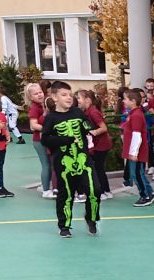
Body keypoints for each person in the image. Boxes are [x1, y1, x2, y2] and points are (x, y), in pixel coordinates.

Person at [41, 81, 100, 237]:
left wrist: (89, 127)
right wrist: (64, 140)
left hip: (83, 159)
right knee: (66, 194)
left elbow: (87, 126)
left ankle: (91, 218)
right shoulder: (51, 118)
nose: (69, 97)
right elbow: (45, 139)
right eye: (64, 95)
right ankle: (64, 225)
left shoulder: (78, 113)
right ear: (54, 97)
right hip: (63, 162)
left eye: (70, 95)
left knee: (94, 189)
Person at [121, 88, 154, 208]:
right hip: (135, 151)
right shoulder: (133, 114)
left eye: (125, 99)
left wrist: (134, 153)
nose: (123, 101)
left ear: (133, 101)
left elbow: (137, 135)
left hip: (137, 152)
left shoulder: (136, 115)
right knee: (138, 173)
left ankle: (145, 196)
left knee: (136, 174)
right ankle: (150, 193)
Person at [77, 89, 113, 200]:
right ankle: (106, 191)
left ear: (87, 100)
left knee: (98, 169)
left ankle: (103, 191)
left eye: (79, 98)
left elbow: (103, 128)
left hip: (100, 145)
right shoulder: (88, 112)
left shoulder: (93, 112)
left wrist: (94, 132)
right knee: (98, 168)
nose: (77, 100)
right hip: (97, 145)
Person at [25, 83, 56, 198]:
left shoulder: (45, 104)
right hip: (39, 140)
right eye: (35, 94)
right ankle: (46, 190)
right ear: (30, 97)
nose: (39, 95)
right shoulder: (34, 108)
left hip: (47, 139)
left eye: (40, 92)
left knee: (50, 163)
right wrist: (48, 129)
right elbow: (33, 125)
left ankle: (45, 185)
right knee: (46, 164)